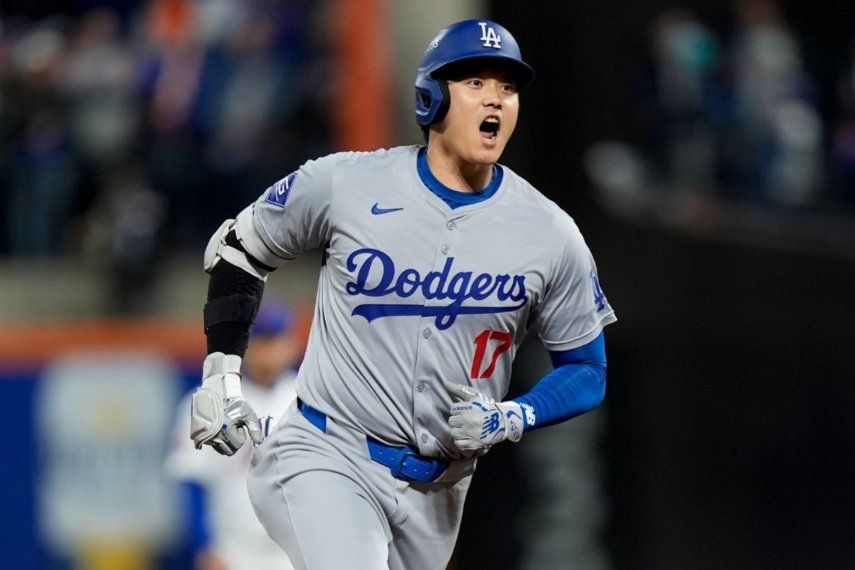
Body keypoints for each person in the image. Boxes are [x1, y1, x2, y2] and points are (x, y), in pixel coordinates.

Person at [189, 19, 617, 570]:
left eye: (507, 88)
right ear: (431, 98)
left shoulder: (549, 232)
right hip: (326, 453)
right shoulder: (347, 183)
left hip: (439, 492)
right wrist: (220, 375)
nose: (496, 99)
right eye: (476, 83)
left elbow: (588, 368)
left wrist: (516, 414)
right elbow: (238, 249)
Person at [169, 301, 301, 570]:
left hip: (295, 553)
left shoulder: (308, 401)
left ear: (291, 345)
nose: (267, 350)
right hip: (232, 552)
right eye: (260, 339)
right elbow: (191, 482)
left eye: (275, 339)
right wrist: (205, 546)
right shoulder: (209, 402)